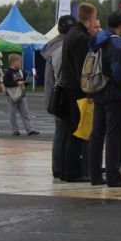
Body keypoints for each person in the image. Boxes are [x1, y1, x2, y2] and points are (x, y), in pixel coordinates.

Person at [88, 12, 121, 188]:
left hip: (99, 90)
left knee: (97, 134)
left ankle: (95, 174)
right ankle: (114, 176)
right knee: (114, 136)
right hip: (115, 95)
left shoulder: (99, 39)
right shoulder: (117, 43)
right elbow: (119, 71)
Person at [59, 2, 98, 182]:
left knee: (70, 131)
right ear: (90, 19)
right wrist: (89, 92)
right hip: (77, 91)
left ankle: (68, 170)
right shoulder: (81, 38)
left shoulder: (71, 34)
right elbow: (84, 69)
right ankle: (73, 172)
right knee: (77, 131)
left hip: (68, 88)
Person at [43, 15, 75, 178]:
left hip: (54, 96)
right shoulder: (63, 47)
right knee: (63, 132)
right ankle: (59, 168)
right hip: (63, 96)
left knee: (60, 131)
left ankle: (58, 167)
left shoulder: (52, 45)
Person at [2, 54, 38, 136]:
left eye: (20, 62)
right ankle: (14, 130)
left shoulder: (21, 71)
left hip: (21, 94)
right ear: (12, 62)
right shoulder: (8, 72)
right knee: (12, 113)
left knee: (25, 112)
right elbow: (6, 83)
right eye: (18, 62)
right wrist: (17, 83)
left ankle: (30, 129)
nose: (20, 63)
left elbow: (25, 83)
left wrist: (28, 81)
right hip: (11, 95)